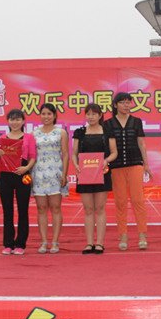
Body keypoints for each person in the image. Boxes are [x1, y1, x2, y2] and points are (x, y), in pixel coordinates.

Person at [104, 92, 152, 251]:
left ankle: (142, 235)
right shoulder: (108, 124)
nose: (126, 105)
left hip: (135, 164)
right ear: (115, 105)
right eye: (122, 102)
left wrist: (146, 165)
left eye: (128, 102)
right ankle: (123, 235)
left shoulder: (136, 122)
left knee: (138, 200)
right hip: (116, 166)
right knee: (120, 202)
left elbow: (141, 144)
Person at [72, 104, 117, 254]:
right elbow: (74, 154)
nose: (90, 117)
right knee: (88, 209)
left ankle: (100, 243)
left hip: (101, 173)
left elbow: (114, 153)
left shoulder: (107, 132)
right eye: (88, 114)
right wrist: (76, 165)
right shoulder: (80, 132)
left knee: (100, 208)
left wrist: (106, 161)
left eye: (94, 114)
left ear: (100, 115)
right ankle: (89, 243)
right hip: (84, 174)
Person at [0, 109, 37, 255]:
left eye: (18, 119)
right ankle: (8, 244)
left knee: (23, 210)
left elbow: (33, 157)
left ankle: (20, 244)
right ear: (8, 121)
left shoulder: (28, 137)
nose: (15, 122)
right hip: (5, 176)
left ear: (23, 121)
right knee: (7, 211)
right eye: (12, 119)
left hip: (23, 175)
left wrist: (26, 168)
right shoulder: (2, 138)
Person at [32, 103, 69, 254]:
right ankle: (43, 242)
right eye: (43, 114)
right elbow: (31, 155)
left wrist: (64, 174)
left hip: (56, 174)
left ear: (54, 116)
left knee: (55, 208)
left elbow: (65, 154)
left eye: (49, 114)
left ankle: (55, 242)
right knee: (41, 209)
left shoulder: (61, 132)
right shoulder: (34, 133)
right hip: (39, 175)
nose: (46, 116)